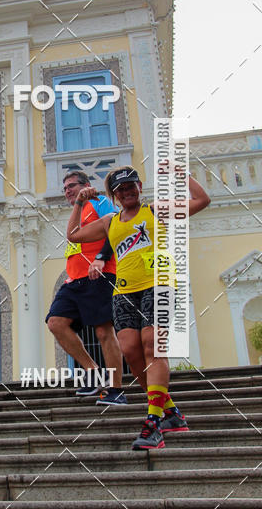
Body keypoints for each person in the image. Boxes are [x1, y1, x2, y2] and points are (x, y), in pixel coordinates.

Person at [66, 166, 210, 450]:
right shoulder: (110, 221)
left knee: (152, 346)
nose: (127, 191)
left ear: (140, 187)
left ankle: (153, 422)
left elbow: (202, 201)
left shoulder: (155, 211)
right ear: (115, 195)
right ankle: (171, 413)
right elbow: (73, 235)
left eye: (131, 186)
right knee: (131, 352)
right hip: (124, 291)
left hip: (159, 284)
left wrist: (181, 176)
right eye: (121, 189)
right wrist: (81, 202)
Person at [46, 170, 126, 404]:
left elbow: (115, 229)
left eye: (72, 185)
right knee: (56, 323)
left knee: (103, 331)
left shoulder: (100, 202)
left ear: (86, 186)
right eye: (65, 188)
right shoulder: (78, 210)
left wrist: (102, 257)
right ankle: (92, 370)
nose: (67, 190)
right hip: (75, 280)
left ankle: (116, 390)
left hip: (101, 273)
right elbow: (73, 240)